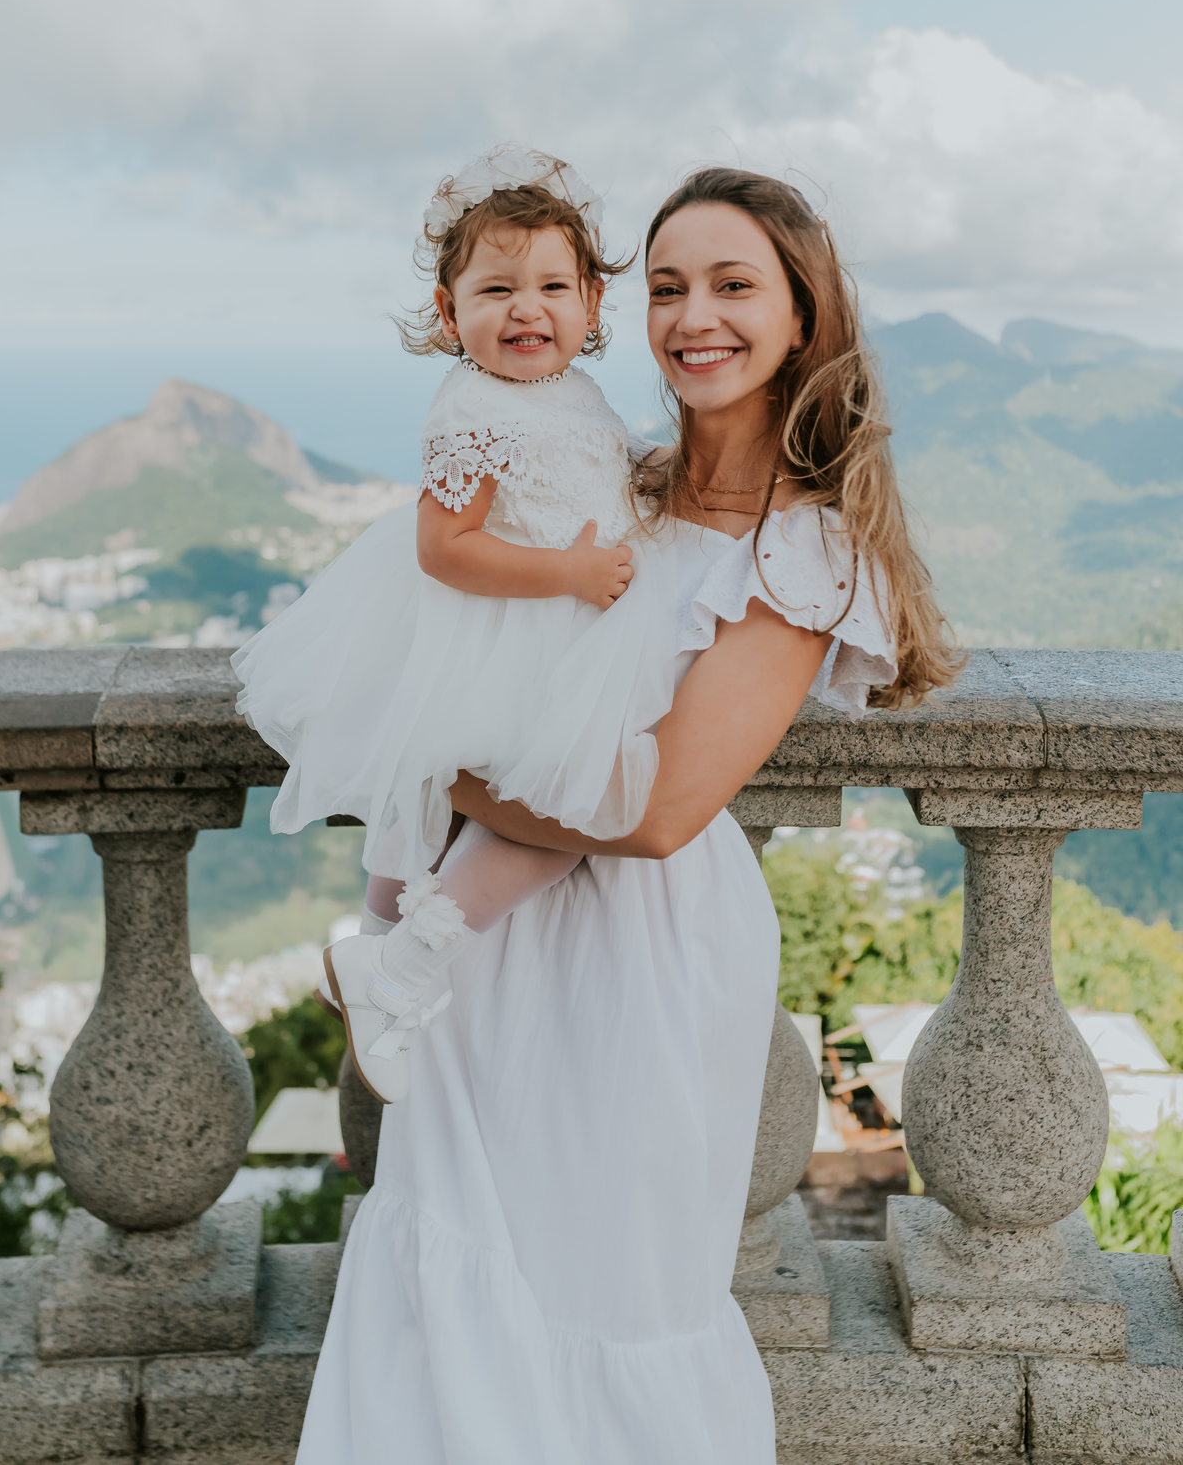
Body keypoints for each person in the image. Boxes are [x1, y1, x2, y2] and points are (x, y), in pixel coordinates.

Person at [295, 166, 957, 1465]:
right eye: (666, 286)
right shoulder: (625, 488)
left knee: (611, 1287)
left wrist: (420, 757)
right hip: (491, 943)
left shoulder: (801, 547)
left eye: (732, 285)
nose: (693, 315)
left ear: (802, 315)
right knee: (466, 1252)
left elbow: (656, 813)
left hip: (641, 952)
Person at [234, 145, 683, 1103]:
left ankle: (372, 950)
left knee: (434, 810)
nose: (528, 308)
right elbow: (447, 547)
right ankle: (403, 966)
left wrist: (653, 471)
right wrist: (568, 571)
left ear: (594, 306)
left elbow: (589, 461)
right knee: (571, 808)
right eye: (497, 289)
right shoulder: (474, 410)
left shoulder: (567, 390)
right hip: (500, 629)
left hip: (546, 636)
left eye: (554, 286)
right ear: (450, 313)